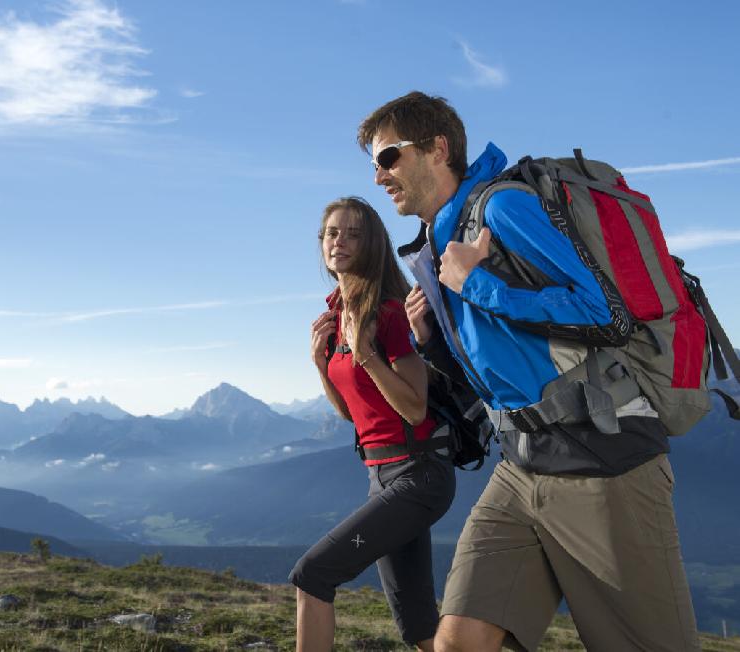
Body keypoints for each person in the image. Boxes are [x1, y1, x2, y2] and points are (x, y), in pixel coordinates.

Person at [357, 91, 700, 652]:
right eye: (374, 163)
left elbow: (604, 312)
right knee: (459, 643)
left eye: (389, 157)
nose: (378, 175)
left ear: (437, 149)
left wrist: (478, 285)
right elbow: (499, 369)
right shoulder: (442, 241)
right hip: (520, 466)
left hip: (602, 457)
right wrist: (432, 342)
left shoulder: (502, 208)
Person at [289, 196, 456, 651]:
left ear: (373, 245)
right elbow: (352, 413)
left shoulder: (388, 311)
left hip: (419, 474)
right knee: (419, 627)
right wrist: (321, 364)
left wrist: (364, 354)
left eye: (352, 233)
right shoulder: (338, 312)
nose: (338, 241)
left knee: (313, 574)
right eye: (331, 233)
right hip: (380, 476)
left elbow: (415, 408)